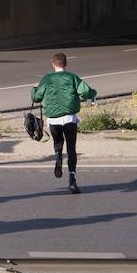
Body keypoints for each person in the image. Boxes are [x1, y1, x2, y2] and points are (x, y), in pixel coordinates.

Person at [31, 52, 97, 194]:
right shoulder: (72, 77)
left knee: (58, 142)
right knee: (71, 148)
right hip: (69, 118)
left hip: (53, 119)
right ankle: (72, 179)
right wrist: (93, 93)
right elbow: (85, 92)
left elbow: (36, 97)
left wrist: (34, 89)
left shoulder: (47, 79)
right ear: (65, 64)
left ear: (53, 64)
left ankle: (58, 156)